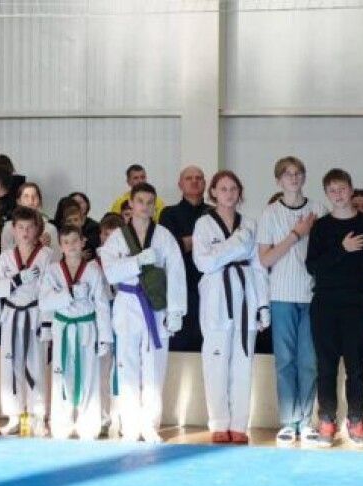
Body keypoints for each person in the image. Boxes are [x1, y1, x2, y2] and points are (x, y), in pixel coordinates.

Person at [100, 183, 186, 442]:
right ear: (131, 203)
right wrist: (136, 261)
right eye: (140, 201)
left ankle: (149, 425)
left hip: (155, 306)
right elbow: (110, 273)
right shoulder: (117, 237)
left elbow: (176, 273)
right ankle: (130, 425)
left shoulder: (164, 236)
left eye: (150, 202)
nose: (145, 207)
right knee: (127, 366)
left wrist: (176, 310)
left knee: (154, 368)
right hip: (127, 302)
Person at [193, 171, 270, 444]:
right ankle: (218, 422)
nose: (228, 193)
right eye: (223, 188)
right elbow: (203, 263)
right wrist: (237, 245)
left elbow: (258, 266)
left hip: (247, 297)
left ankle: (239, 424)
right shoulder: (203, 224)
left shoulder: (249, 224)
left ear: (240, 192)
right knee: (215, 363)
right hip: (216, 298)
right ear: (213, 192)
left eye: (233, 188)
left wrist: (263, 305)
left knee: (243, 362)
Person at [305, 168, 363, 448]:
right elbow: (313, 266)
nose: (338, 195)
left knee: (356, 367)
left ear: (351, 189)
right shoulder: (321, 226)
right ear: (326, 194)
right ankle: (326, 419)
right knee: (325, 366)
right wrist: (342, 248)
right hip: (325, 304)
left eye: (342, 189)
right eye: (332, 190)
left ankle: (356, 419)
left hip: (357, 304)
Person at [256, 157, 327, 447]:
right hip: (282, 295)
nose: (293, 178)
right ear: (279, 181)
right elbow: (265, 259)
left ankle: (306, 422)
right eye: (287, 174)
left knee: (308, 361)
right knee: (285, 361)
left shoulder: (319, 209)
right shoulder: (270, 213)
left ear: (304, 177)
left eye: (298, 173)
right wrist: (297, 234)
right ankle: (288, 421)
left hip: (312, 295)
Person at [39, 225, 112, 439]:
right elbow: (44, 302)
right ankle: (62, 425)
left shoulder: (93, 270)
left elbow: (102, 305)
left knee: (89, 375)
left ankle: (88, 425)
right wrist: (69, 293)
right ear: (60, 246)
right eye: (66, 242)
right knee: (61, 376)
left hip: (86, 327)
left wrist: (104, 337)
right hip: (62, 328)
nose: (71, 246)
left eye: (74, 241)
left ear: (83, 242)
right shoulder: (53, 270)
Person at [0, 206, 55, 437]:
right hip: (11, 315)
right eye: (21, 228)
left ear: (38, 230)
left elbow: (49, 289)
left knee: (36, 365)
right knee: (10, 366)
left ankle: (38, 417)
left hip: (35, 313)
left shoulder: (46, 255)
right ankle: (14, 417)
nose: (25, 232)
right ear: (13, 230)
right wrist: (16, 280)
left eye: (30, 228)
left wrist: (47, 323)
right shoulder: (6, 257)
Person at [159, 165, 210, 352]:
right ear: (180, 184)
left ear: (205, 183)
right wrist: (204, 242)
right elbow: (170, 249)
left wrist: (187, 242)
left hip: (210, 284)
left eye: (199, 178)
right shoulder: (168, 214)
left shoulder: (214, 213)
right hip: (181, 285)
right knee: (181, 342)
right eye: (189, 178)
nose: (194, 181)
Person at [95, 212, 123, 438]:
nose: (109, 239)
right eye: (106, 234)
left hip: (123, 317)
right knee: (102, 371)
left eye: (114, 235)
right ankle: (102, 418)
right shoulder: (92, 265)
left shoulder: (127, 262)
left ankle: (123, 417)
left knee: (123, 370)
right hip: (100, 322)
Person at [0, 183, 60, 259]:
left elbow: (57, 258)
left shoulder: (50, 229)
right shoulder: (9, 227)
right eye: (26, 197)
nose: (31, 201)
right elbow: (5, 255)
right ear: (19, 201)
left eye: (34, 196)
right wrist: (34, 245)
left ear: (40, 201)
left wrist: (46, 248)